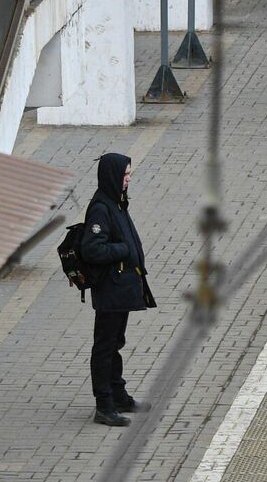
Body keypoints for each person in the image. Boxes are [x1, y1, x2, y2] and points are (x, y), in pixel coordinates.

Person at [80, 151, 156, 426]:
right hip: (110, 290)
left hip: (120, 289)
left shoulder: (116, 201)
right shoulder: (101, 208)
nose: (128, 179)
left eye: (129, 174)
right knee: (105, 346)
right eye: (125, 175)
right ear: (112, 175)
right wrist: (124, 249)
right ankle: (104, 405)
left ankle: (118, 394)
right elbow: (92, 249)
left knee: (115, 344)